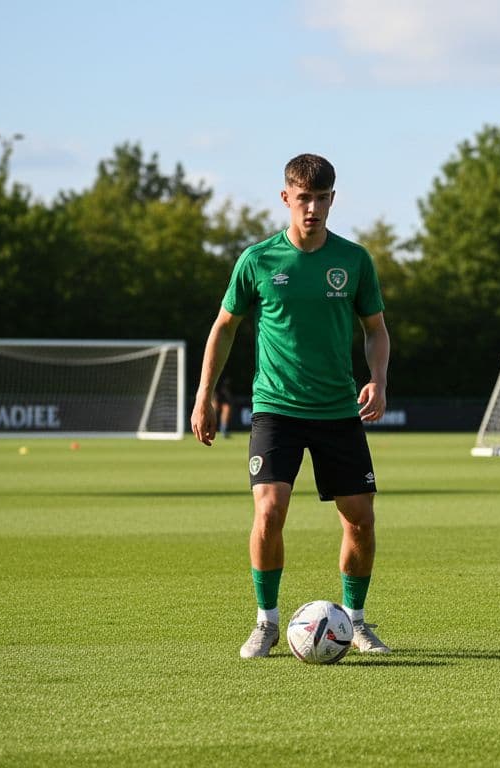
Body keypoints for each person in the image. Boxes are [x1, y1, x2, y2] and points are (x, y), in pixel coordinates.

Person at [191, 153, 392, 657]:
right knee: (270, 510)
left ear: (331, 200)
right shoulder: (258, 260)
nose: (313, 208)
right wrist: (204, 395)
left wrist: (379, 379)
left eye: (322, 198)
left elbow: (376, 330)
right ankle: (266, 621)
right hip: (276, 407)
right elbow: (224, 327)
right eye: (304, 198)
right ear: (286, 198)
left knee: (360, 520)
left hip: (337, 410)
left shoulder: (353, 260)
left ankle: (357, 620)